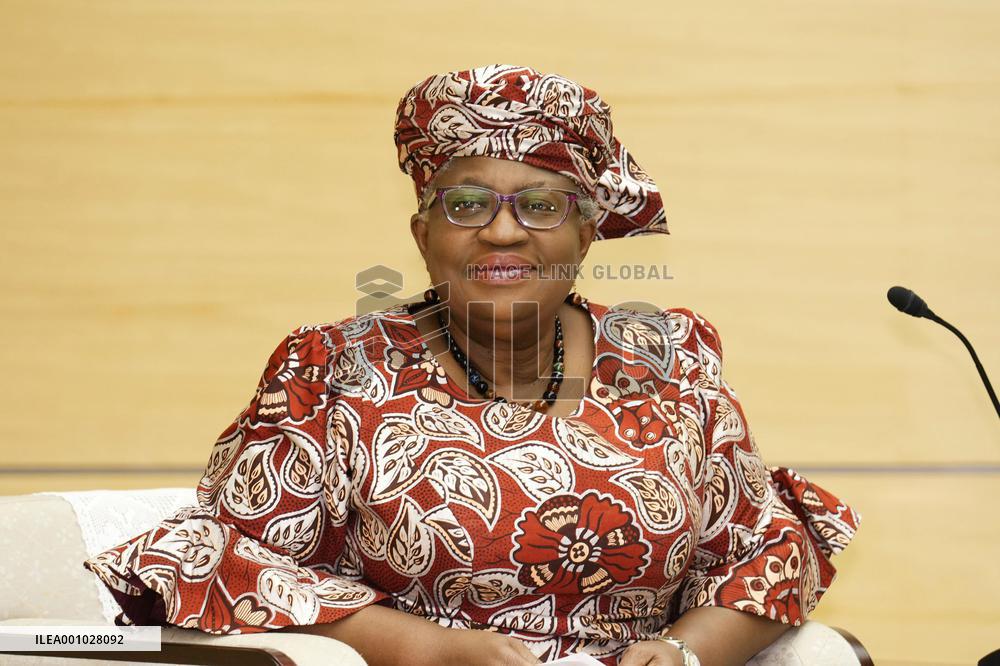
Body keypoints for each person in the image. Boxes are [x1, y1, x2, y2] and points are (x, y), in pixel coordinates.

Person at [84, 64, 860, 666]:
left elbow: (768, 547)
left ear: (587, 234)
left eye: (542, 205)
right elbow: (225, 556)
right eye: (466, 205)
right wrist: (419, 648)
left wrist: (689, 650)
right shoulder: (331, 369)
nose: (502, 232)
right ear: (423, 234)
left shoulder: (670, 360)